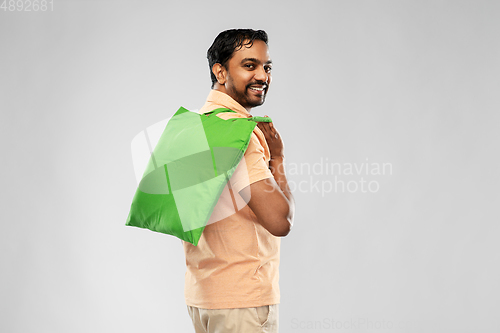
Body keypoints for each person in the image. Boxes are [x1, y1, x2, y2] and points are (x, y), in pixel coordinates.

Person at [184, 29, 295, 333]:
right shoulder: (238, 134)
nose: (263, 76)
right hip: (242, 304)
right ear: (219, 71)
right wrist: (278, 161)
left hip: (202, 299)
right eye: (249, 66)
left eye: (267, 67)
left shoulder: (195, 127)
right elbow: (280, 221)